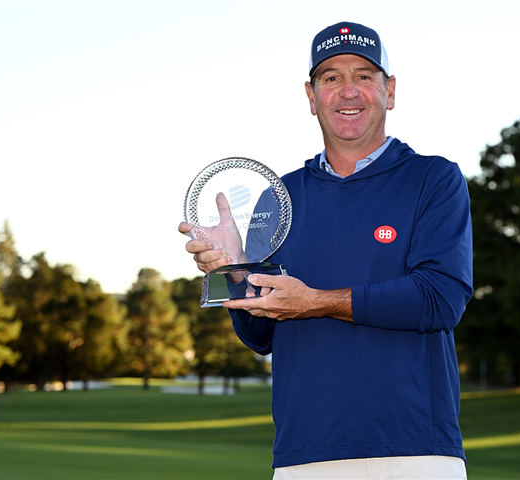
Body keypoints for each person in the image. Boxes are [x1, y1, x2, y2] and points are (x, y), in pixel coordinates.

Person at [179, 21, 472, 480]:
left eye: (364, 76)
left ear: (390, 91)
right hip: (305, 454)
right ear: (311, 97)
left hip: (416, 450)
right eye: (331, 77)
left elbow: (439, 299)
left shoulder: (434, 179)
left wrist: (316, 301)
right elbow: (260, 336)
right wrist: (236, 272)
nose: (348, 91)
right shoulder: (278, 197)